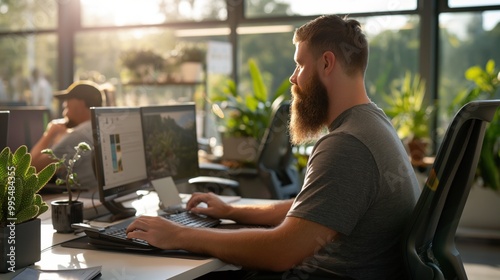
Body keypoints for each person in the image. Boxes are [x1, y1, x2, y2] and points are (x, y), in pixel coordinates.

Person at [126, 14, 421, 280]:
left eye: (300, 64)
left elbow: (282, 252)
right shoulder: (374, 122)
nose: (293, 77)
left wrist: (180, 234)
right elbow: (312, 209)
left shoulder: (346, 144)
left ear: (327, 63)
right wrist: (233, 211)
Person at [31, 80, 103, 192]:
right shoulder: (100, 126)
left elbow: (32, 168)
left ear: (80, 104)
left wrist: (49, 133)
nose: (65, 105)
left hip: (79, 197)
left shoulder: (78, 135)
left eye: (68, 101)